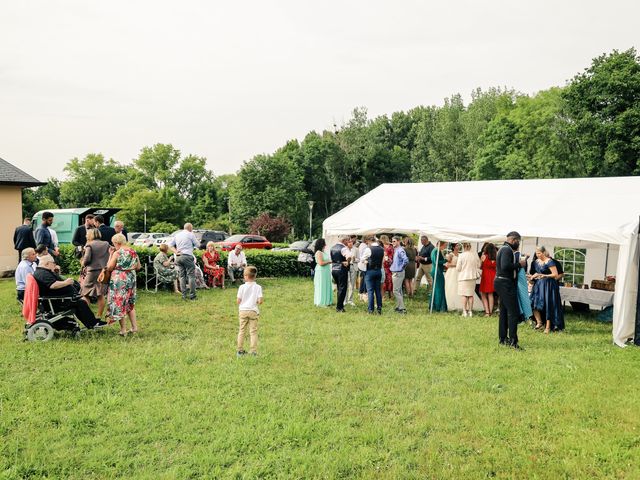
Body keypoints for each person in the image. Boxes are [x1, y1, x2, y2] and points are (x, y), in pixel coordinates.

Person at [33, 254, 107, 329]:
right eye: (53, 263)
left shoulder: (42, 272)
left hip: (58, 299)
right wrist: (66, 282)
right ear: (47, 263)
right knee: (80, 303)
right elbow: (53, 285)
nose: (55, 265)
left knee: (80, 302)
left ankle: (91, 322)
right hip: (57, 302)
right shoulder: (43, 273)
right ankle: (92, 323)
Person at [494, 231, 525, 349]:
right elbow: (505, 266)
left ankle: (502, 339)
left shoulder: (503, 249)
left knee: (504, 312)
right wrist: (519, 264)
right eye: (518, 242)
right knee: (513, 312)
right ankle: (513, 341)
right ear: (513, 240)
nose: (518, 244)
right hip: (505, 283)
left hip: (501, 282)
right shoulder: (507, 250)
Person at [106, 233, 141, 335]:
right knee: (130, 303)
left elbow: (109, 267)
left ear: (117, 242)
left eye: (114, 243)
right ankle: (134, 328)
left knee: (119, 303)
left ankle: (123, 330)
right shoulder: (133, 251)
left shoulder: (118, 253)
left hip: (119, 279)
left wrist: (110, 255)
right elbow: (138, 267)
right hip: (131, 278)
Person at [530, 246, 565, 333]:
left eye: (539, 253)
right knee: (534, 303)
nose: (538, 255)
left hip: (548, 285)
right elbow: (535, 272)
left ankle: (548, 327)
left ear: (543, 252)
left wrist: (545, 275)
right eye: (536, 253)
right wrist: (533, 276)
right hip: (538, 285)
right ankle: (539, 322)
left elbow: (555, 274)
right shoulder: (535, 262)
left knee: (548, 305)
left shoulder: (550, 262)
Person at [80, 228, 111, 319]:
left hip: (92, 271)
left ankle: (86, 315)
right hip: (103, 272)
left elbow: (87, 259)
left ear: (90, 235)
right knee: (100, 294)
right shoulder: (106, 244)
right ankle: (99, 315)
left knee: (85, 294)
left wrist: (82, 263)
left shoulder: (89, 245)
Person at [236, 266, 264, 357]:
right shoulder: (258, 287)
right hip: (253, 311)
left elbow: (238, 301)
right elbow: (260, 301)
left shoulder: (241, 287)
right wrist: (254, 301)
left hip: (243, 311)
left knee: (242, 330)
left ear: (246, 276)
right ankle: (253, 351)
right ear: (255, 276)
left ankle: (239, 351)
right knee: (253, 332)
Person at [169, 223, 199, 300]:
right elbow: (198, 245)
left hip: (179, 257)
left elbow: (170, 245)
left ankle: (184, 295)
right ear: (190, 228)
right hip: (187, 256)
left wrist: (176, 252)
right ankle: (192, 296)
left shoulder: (177, 235)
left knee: (182, 276)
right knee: (191, 276)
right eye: (192, 228)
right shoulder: (190, 234)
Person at [360, 235, 384, 314]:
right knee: (378, 291)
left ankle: (371, 309)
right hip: (379, 271)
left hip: (370, 271)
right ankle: (379, 308)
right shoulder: (381, 249)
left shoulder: (368, 249)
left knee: (370, 291)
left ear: (369, 241)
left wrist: (366, 261)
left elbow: (362, 259)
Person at [456, 242, 482, 317]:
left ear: (464, 247)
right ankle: (470, 311)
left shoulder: (461, 255)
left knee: (464, 295)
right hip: (472, 277)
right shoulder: (475, 255)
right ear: (470, 247)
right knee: (470, 295)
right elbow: (479, 265)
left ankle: (464, 311)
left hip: (463, 277)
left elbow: (458, 268)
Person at [330, 236, 351, 313]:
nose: (348, 242)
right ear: (344, 240)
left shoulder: (332, 247)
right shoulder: (344, 248)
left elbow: (332, 258)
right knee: (342, 288)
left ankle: (339, 306)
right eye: (348, 240)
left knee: (339, 288)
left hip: (334, 269)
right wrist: (348, 262)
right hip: (341, 269)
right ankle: (339, 307)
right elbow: (349, 256)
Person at [390, 236, 409, 314]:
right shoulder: (397, 250)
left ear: (398, 241)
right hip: (396, 271)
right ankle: (398, 307)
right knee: (399, 290)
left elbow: (406, 260)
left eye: (394, 241)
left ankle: (402, 308)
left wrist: (401, 268)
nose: (392, 243)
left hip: (398, 272)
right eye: (392, 241)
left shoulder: (400, 250)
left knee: (395, 291)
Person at [313, 239, 333, 307]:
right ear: (321, 244)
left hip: (326, 271)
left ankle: (327, 300)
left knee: (326, 285)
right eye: (324, 244)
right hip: (321, 271)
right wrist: (329, 262)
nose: (325, 245)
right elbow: (321, 263)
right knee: (322, 285)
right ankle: (321, 301)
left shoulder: (323, 252)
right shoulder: (318, 252)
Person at [479, 243, 497, 316]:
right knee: (490, 294)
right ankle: (491, 311)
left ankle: (487, 312)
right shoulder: (496, 258)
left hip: (485, 276)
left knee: (483, 293)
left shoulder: (484, 256)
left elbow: (480, 266)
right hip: (493, 277)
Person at [429, 241, 448, 312]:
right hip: (437, 272)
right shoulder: (436, 250)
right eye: (445, 245)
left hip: (436, 270)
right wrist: (446, 260)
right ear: (441, 245)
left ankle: (434, 305)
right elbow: (436, 262)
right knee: (439, 289)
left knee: (437, 289)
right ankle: (439, 307)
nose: (445, 247)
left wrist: (443, 266)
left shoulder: (435, 250)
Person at [515, 251, 533, 323]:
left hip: (520, 277)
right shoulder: (516, 255)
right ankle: (523, 315)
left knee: (523, 296)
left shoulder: (518, 254)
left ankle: (526, 315)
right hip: (518, 277)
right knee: (520, 297)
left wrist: (524, 257)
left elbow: (527, 255)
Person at [444, 243, 463, 313]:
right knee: (452, 286)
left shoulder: (460, 254)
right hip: (452, 272)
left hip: (458, 272)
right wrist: (456, 265)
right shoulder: (450, 255)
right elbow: (447, 264)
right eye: (457, 245)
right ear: (454, 247)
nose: (458, 246)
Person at [345, 235, 359, 306]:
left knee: (352, 284)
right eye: (349, 242)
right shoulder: (344, 249)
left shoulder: (356, 249)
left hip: (353, 267)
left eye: (351, 242)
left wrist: (354, 259)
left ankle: (350, 300)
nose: (350, 243)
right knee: (346, 283)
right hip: (346, 267)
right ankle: (345, 300)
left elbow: (359, 259)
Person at [380, 235, 394, 299]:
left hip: (389, 266)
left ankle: (391, 295)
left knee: (389, 281)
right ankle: (383, 296)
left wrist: (388, 259)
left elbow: (392, 256)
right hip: (382, 265)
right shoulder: (381, 246)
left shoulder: (390, 247)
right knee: (383, 281)